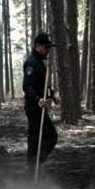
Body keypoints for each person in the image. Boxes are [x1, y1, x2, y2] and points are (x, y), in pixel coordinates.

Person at [23, 32, 59, 175]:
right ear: (38, 46)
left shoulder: (40, 63)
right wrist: (38, 99)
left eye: (49, 47)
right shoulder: (31, 63)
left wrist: (52, 96)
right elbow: (27, 86)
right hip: (34, 107)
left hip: (40, 107)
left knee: (37, 139)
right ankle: (33, 167)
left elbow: (43, 87)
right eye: (46, 47)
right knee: (49, 137)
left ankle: (33, 169)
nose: (48, 50)